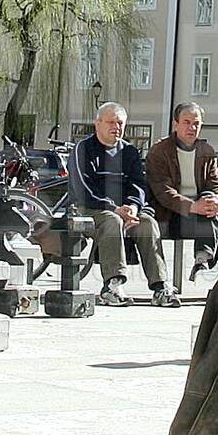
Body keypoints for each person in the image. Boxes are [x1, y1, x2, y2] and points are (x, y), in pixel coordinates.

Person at [67, 102, 175, 307]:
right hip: (89, 209)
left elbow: (138, 185)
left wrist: (133, 207)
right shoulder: (83, 149)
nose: (116, 127)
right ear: (97, 124)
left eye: (120, 123)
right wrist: (114, 209)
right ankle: (112, 285)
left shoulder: (129, 151)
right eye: (110, 122)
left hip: (124, 211)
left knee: (147, 223)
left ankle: (160, 286)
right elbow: (83, 190)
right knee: (112, 221)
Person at [146, 102, 218, 275]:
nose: (192, 128)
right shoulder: (159, 151)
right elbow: (163, 192)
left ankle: (202, 261)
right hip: (169, 215)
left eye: (196, 123)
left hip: (200, 215)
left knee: (211, 201)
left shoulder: (207, 151)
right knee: (209, 209)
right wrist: (193, 206)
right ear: (175, 124)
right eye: (186, 122)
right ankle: (214, 263)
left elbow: (216, 184)